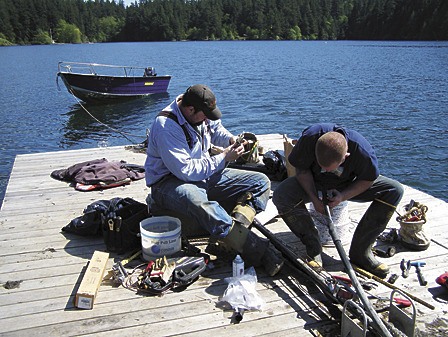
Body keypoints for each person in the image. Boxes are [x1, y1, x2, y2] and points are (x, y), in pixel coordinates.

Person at [144, 84, 284, 276]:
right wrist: (224, 158)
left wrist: (231, 141)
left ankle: (226, 239)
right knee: (198, 200)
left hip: (203, 173)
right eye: (205, 115)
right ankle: (255, 248)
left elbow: (216, 130)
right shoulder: (166, 126)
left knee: (260, 182)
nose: (208, 119)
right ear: (190, 110)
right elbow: (186, 171)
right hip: (169, 182)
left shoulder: (198, 113)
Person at [272, 123, 403, 278]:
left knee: (394, 190)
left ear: (346, 157)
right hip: (314, 182)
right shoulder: (309, 139)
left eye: (331, 168)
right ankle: (313, 248)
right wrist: (314, 198)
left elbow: (368, 179)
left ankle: (361, 253)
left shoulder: (362, 151)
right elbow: (302, 170)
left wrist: (343, 196)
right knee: (282, 195)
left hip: (346, 185)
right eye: (322, 166)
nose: (327, 171)